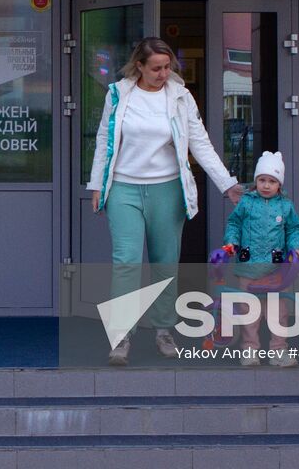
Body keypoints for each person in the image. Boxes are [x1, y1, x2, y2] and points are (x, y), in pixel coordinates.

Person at [89, 37, 244, 366]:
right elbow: (104, 137)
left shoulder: (180, 96)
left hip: (167, 190)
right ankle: (121, 337)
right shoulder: (118, 94)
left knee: (164, 263)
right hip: (123, 189)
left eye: (167, 67)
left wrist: (227, 184)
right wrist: (97, 184)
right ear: (139, 67)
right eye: (156, 68)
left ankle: (163, 330)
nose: (163, 74)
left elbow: (200, 143)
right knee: (127, 262)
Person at [222, 151, 299, 366]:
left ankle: (278, 351)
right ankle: (249, 350)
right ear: (256, 181)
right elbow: (234, 224)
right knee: (249, 313)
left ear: (279, 184)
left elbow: (294, 229)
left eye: (272, 181)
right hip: (248, 267)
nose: (266, 185)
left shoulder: (285, 206)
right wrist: (231, 242)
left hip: (276, 269)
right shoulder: (246, 203)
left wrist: (296, 247)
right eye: (262, 180)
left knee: (278, 313)